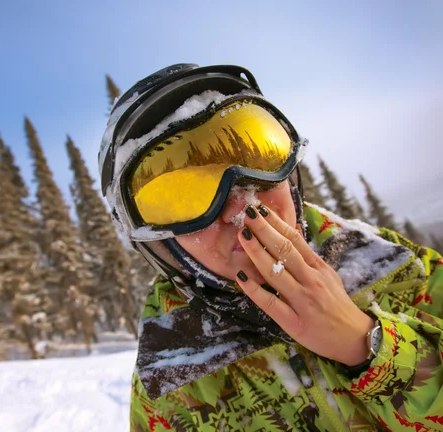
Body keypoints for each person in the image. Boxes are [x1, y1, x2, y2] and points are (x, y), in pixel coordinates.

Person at [98, 64, 443, 431]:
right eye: (184, 197)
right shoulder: (171, 394)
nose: (241, 208)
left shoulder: (404, 272)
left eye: (256, 160)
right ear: (161, 244)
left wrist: (366, 345)